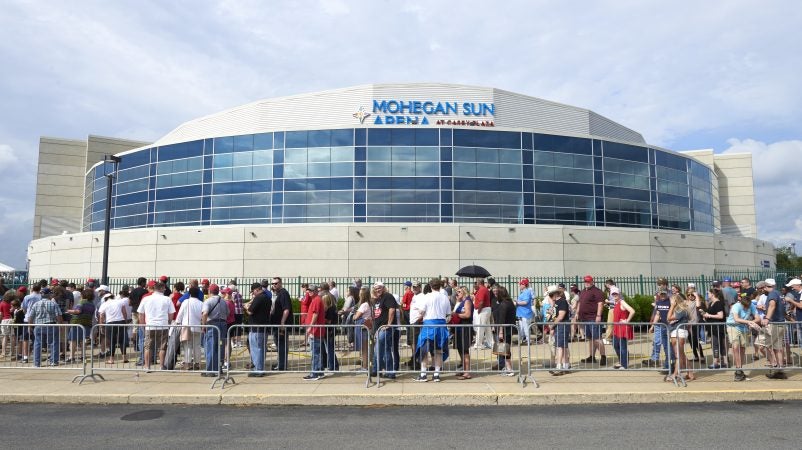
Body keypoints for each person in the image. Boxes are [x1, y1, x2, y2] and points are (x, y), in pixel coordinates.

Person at [414, 278, 451, 382]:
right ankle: (436, 374)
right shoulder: (445, 298)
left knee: (423, 349)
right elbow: (448, 313)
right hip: (441, 326)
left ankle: (423, 374)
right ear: (440, 286)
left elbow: (421, 312)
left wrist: (420, 313)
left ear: (430, 286)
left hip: (429, 326)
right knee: (439, 350)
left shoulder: (427, 297)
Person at [137, 282, 175, 373]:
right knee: (162, 347)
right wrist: (169, 323)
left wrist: (142, 324)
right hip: (163, 325)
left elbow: (140, 313)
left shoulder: (146, 299)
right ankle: (161, 366)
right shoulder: (167, 299)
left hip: (150, 325)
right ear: (162, 288)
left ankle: (147, 366)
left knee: (148, 347)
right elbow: (171, 314)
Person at [726, 292, 761, 381]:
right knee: (735, 347)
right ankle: (738, 369)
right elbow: (736, 319)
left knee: (742, 348)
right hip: (733, 326)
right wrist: (749, 322)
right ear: (741, 303)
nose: (746, 308)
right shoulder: (736, 306)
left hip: (743, 328)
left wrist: (752, 321)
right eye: (744, 306)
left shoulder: (751, 305)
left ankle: (740, 368)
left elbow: (758, 318)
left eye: (747, 307)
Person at [25, 290, 63, 367]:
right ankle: (54, 361)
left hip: (39, 326)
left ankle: (37, 363)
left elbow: (30, 316)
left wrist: (29, 326)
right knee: (53, 343)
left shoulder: (36, 304)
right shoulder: (53, 304)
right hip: (51, 325)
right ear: (49, 294)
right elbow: (58, 316)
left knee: (37, 344)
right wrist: (60, 325)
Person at [574, 275, 606, 365]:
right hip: (585, 318)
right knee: (590, 339)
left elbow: (600, 304)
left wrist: (598, 315)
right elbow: (580, 303)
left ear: (592, 281)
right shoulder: (583, 291)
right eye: (585, 281)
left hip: (593, 318)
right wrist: (577, 312)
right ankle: (592, 357)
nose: (587, 283)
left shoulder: (597, 291)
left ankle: (603, 356)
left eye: (588, 281)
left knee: (597, 338)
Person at [370, 281, 398, 379]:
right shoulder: (378, 299)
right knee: (385, 349)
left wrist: (389, 324)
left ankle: (376, 369)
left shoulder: (388, 296)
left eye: (379, 288)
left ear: (383, 288)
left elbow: (392, 310)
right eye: (376, 288)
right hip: (379, 328)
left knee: (380, 348)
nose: (378, 290)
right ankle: (388, 372)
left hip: (385, 328)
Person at [761, 279, 787, 379]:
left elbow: (772, 305)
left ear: (766, 286)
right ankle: (779, 371)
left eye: (764, 287)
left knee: (764, 346)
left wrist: (767, 318)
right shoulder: (778, 293)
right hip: (780, 323)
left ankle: (775, 366)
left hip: (775, 324)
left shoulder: (772, 294)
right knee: (778, 348)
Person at [201, 284, 228, 377]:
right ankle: (219, 368)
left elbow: (205, 314)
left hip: (212, 325)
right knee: (220, 346)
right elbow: (227, 313)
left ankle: (211, 370)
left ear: (209, 291)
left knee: (211, 347)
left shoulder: (208, 301)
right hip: (223, 325)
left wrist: (203, 325)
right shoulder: (224, 301)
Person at [245, 282, 271, 377]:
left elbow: (250, 311)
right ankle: (260, 368)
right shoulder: (267, 298)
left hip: (256, 328)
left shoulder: (259, 298)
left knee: (256, 349)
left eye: (253, 292)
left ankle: (258, 369)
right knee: (261, 349)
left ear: (256, 290)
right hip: (263, 327)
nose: (253, 294)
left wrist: (246, 307)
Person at [98, 288, 129, 364]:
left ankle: (111, 359)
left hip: (110, 323)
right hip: (120, 322)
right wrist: (125, 322)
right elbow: (124, 312)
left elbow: (101, 316)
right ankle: (124, 358)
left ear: (106, 298)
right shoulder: (119, 302)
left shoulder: (104, 304)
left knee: (112, 341)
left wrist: (101, 325)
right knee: (122, 341)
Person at [667, 294, 694, 382]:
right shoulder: (680, 309)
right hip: (677, 331)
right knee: (680, 354)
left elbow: (669, 318)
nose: (670, 301)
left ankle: (675, 374)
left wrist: (672, 306)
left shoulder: (681, 310)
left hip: (680, 331)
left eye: (671, 300)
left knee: (678, 354)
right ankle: (690, 374)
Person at [176, 286, 203, 371]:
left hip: (187, 326)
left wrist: (177, 322)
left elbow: (180, 314)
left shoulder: (186, 302)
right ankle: (197, 364)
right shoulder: (201, 303)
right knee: (197, 346)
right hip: (197, 326)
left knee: (187, 346)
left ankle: (187, 364)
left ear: (189, 294)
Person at [269, 277, 292, 371]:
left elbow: (286, 309)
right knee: (279, 345)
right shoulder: (278, 294)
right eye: (273, 284)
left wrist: (282, 323)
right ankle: (281, 363)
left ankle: (282, 365)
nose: (274, 285)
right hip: (277, 324)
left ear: (280, 283)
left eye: (276, 283)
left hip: (281, 325)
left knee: (281, 345)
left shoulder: (283, 294)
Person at [304, 284, 326, 381]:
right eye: (308, 290)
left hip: (315, 330)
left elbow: (315, 314)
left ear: (316, 291)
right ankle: (319, 372)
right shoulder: (316, 299)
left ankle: (315, 373)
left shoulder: (316, 300)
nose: (309, 292)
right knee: (317, 352)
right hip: (316, 330)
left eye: (311, 290)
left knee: (315, 353)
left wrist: (310, 327)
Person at [702, 288, 728, 369]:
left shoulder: (718, 303)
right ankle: (722, 361)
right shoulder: (711, 303)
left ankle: (717, 362)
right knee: (715, 344)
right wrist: (705, 315)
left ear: (712, 294)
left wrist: (709, 315)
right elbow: (710, 314)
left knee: (717, 344)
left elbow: (720, 315)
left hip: (718, 327)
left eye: (708, 293)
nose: (707, 295)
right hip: (712, 327)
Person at [494, 285, 517, 376]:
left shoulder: (504, 304)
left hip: (504, 330)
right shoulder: (510, 302)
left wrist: (500, 332)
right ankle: (508, 368)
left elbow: (502, 320)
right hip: (509, 329)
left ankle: (509, 369)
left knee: (505, 350)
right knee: (505, 349)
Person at [453, 285, 474, 380]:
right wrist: (457, 301)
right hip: (459, 328)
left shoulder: (467, 301)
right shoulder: (460, 302)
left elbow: (468, 314)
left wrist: (457, 315)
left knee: (465, 350)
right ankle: (463, 368)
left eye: (459, 292)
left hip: (465, 328)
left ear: (464, 292)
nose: (457, 294)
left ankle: (467, 372)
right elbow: (454, 311)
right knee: (460, 348)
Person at [611, 287, 635, 370]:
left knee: (622, 346)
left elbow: (632, 311)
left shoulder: (622, 302)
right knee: (615, 345)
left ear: (619, 294)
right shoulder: (616, 303)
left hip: (622, 328)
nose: (614, 295)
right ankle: (622, 361)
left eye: (616, 293)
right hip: (616, 328)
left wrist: (627, 320)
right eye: (613, 294)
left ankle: (624, 365)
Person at [352, 286, 373, 371]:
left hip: (363, 328)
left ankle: (365, 366)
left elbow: (356, 317)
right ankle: (366, 365)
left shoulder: (364, 305)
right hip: (367, 327)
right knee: (366, 348)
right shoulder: (370, 303)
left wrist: (353, 316)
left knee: (364, 349)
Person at [321, 286, 340, 373]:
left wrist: (321, 319)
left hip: (330, 331)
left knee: (330, 349)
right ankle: (332, 365)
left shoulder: (331, 309)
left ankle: (333, 366)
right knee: (328, 349)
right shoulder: (328, 308)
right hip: (327, 331)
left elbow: (329, 321)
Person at [472, 279, 493, 349]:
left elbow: (481, 302)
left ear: (478, 283)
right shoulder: (484, 289)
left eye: (476, 283)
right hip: (486, 309)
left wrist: (479, 310)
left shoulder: (482, 290)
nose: (475, 285)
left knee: (480, 327)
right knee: (487, 328)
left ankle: (478, 344)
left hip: (483, 310)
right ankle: (491, 343)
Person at [515, 279, 534, 344]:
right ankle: (521, 340)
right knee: (521, 328)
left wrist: (517, 303)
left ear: (524, 285)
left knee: (526, 328)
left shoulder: (527, 292)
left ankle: (528, 341)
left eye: (520, 284)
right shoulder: (523, 292)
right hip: (521, 313)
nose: (519, 285)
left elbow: (525, 302)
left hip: (525, 313)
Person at [0, 291, 14, 359]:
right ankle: (12, 352)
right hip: (11, 320)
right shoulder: (12, 303)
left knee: (5, 337)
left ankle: (3, 352)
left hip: (5, 320)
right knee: (12, 336)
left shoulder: (2, 303)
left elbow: (1, 314)